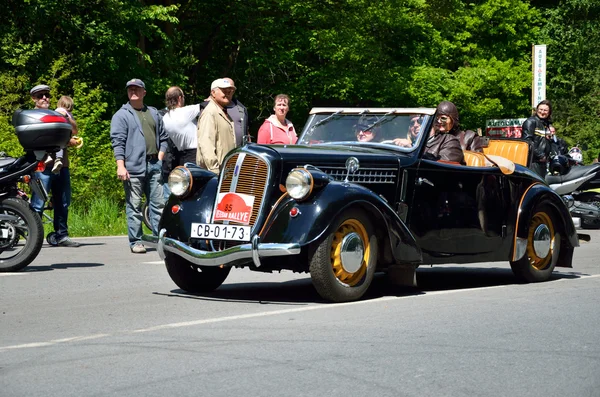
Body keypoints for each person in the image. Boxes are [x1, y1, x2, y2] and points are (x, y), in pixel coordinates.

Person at [110, 78, 168, 254]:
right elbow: (117, 142)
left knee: (158, 205)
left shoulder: (154, 113)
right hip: (133, 168)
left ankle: (161, 241)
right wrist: (121, 166)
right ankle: (136, 241)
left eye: (137, 89)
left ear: (144, 92)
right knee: (134, 206)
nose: (133, 91)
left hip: (154, 165)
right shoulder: (121, 115)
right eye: (130, 89)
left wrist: (159, 157)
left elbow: (164, 138)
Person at [29, 85, 80, 247]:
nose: (45, 98)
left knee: (63, 202)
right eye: (40, 96)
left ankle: (61, 235)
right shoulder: (30, 116)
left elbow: (74, 130)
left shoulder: (57, 114)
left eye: (47, 95)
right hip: (42, 165)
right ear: (34, 99)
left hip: (62, 165)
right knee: (37, 204)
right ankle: (33, 238)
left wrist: (67, 116)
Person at [196, 78, 237, 173]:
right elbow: (206, 143)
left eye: (231, 91)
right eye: (224, 90)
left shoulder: (222, 111)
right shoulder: (210, 112)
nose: (228, 93)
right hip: (215, 173)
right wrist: (214, 170)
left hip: (226, 171)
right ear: (213, 93)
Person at [162, 86, 200, 165]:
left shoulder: (165, 118)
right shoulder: (186, 111)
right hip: (196, 155)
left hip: (181, 158)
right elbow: (206, 105)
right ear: (179, 98)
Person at [522, 100, 553, 177]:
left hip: (543, 162)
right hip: (533, 161)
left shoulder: (545, 124)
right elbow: (527, 142)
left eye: (545, 110)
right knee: (536, 185)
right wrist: (540, 155)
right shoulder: (530, 122)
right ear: (537, 110)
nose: (542, 112)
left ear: (549, 112)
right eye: (540, 109)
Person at [223, 77, 249, 145]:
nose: (228, 90)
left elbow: (245, 129)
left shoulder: (241, 108)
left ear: (234, 91)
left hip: (239, 151)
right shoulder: (211, 107)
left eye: (230, 88)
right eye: (225, 87)